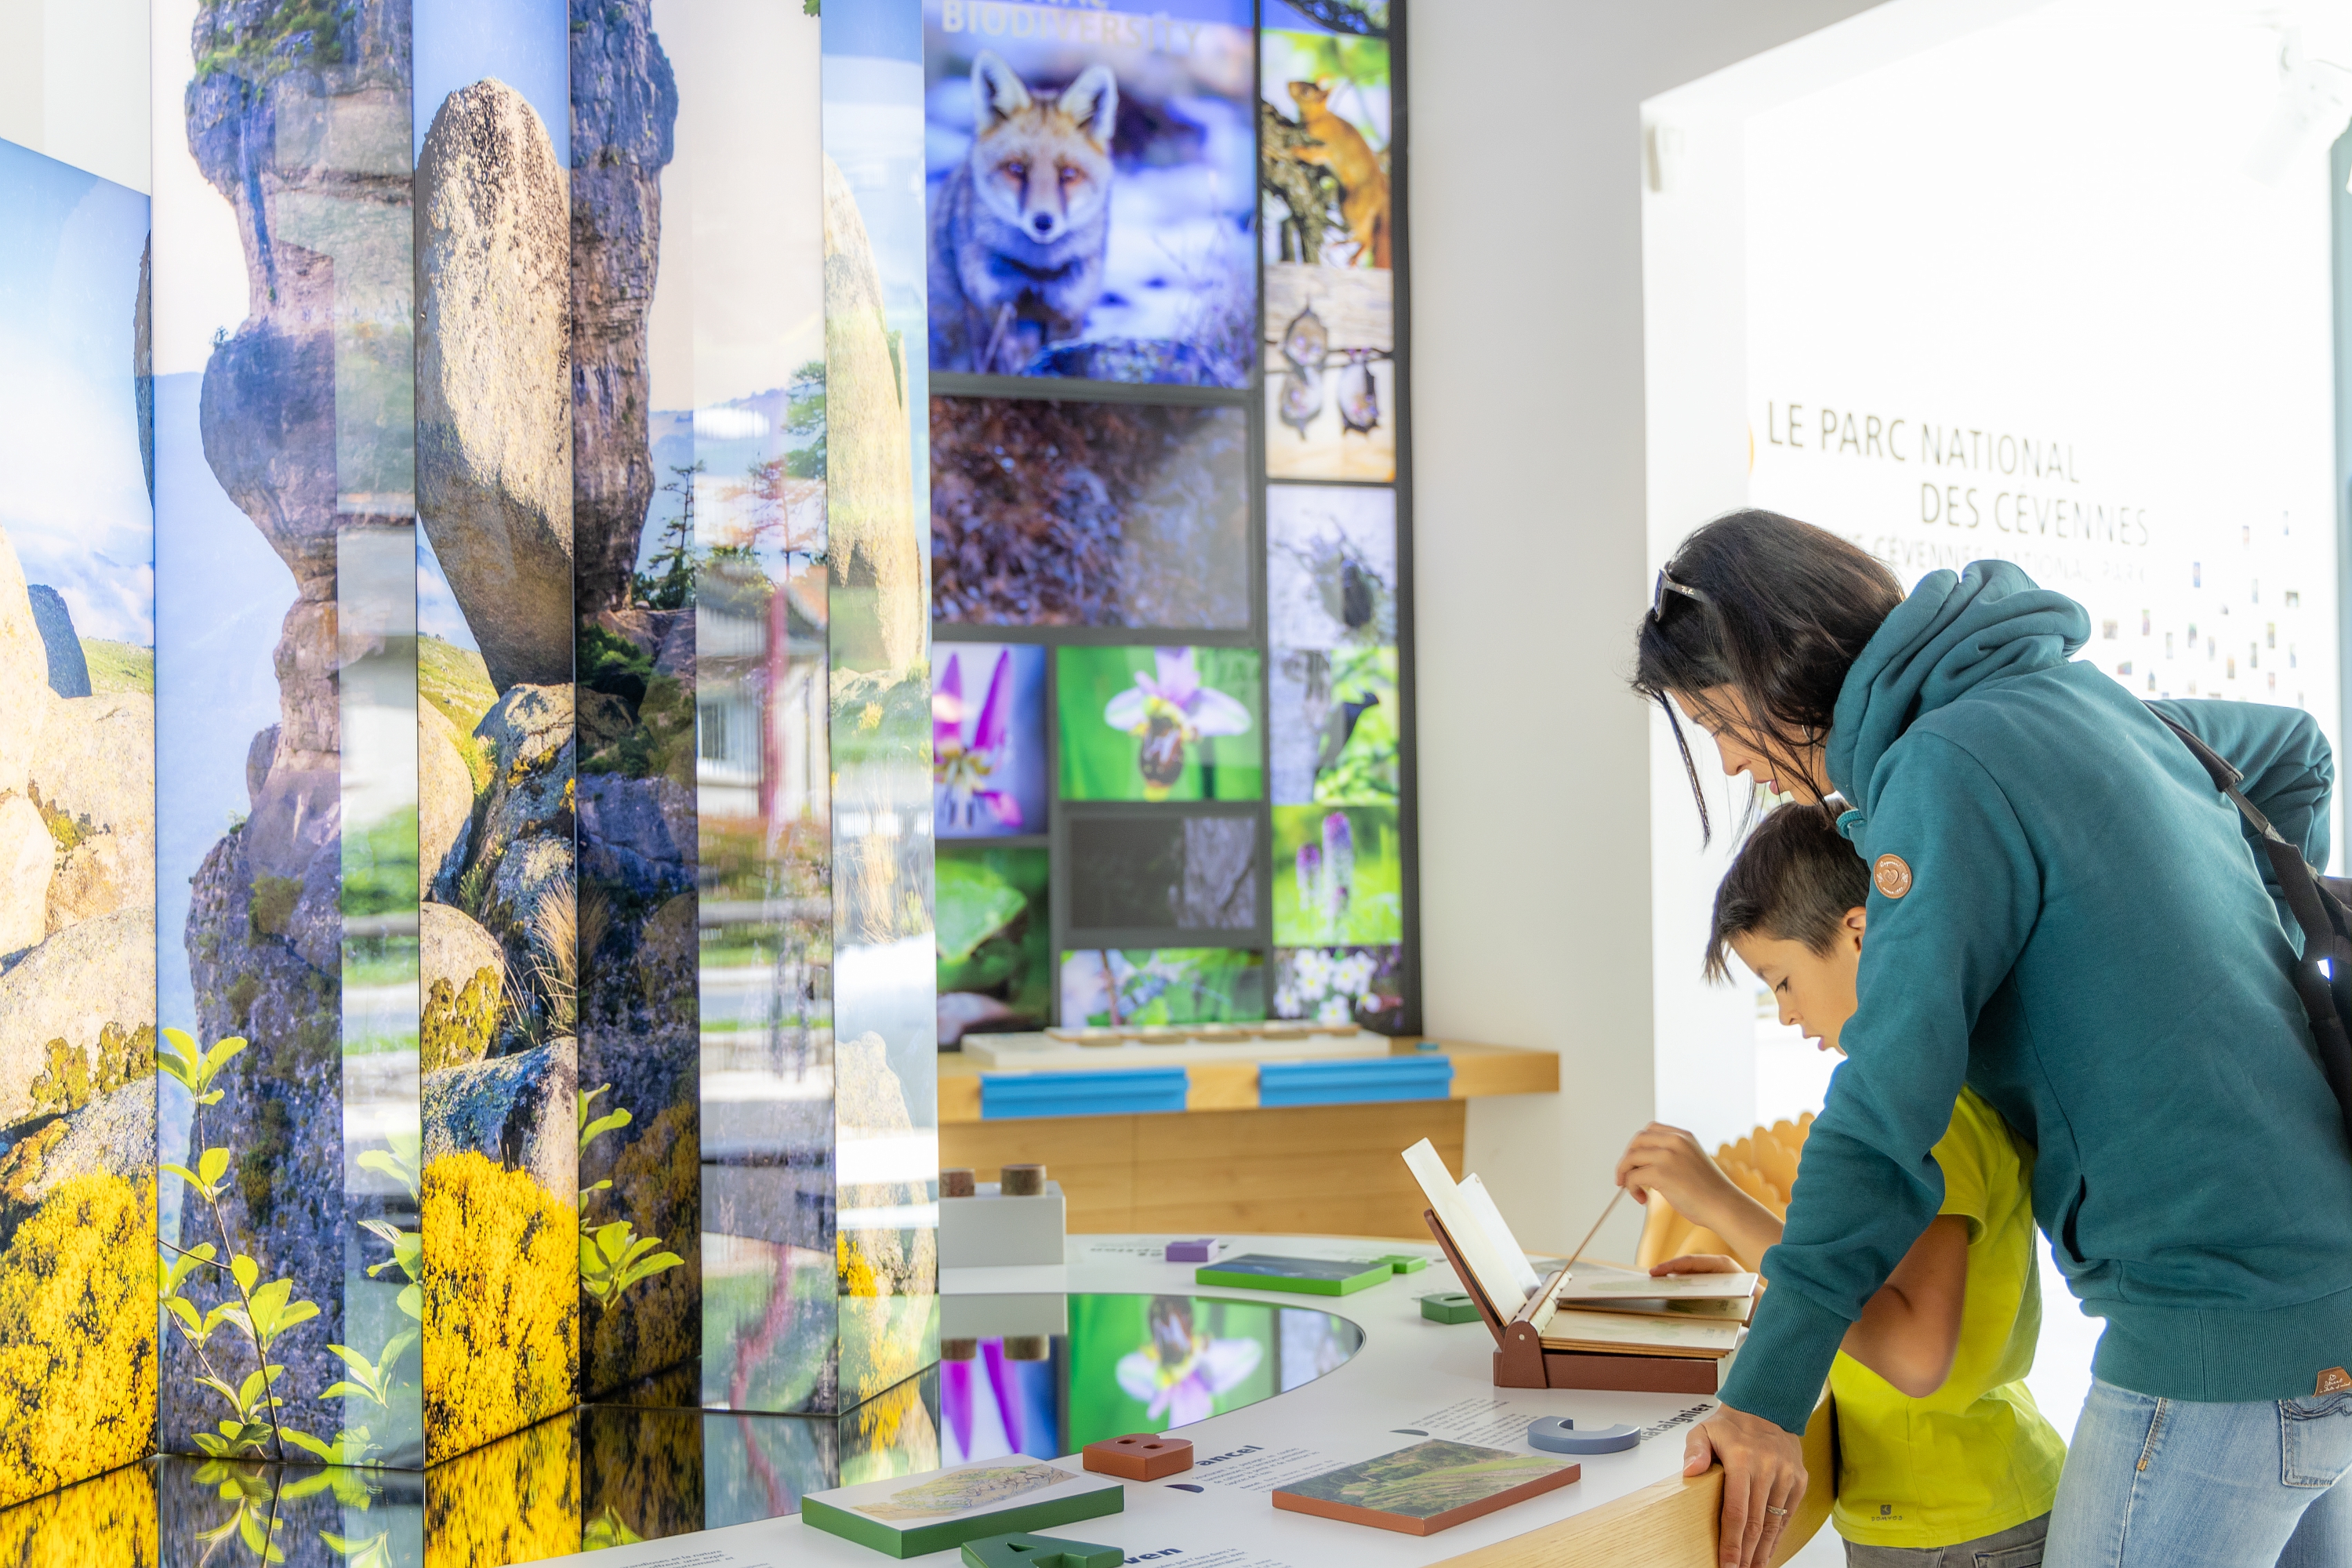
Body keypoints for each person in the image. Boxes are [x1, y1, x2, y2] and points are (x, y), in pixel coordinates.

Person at [1632, 510, 2352, 1568]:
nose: (1736, 763)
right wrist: (2248, 964)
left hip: (2214, 1328)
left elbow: (1884, 1112)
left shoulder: (1944, 769)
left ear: (1771, 664)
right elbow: (2294, 749)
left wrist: (1763, 1402)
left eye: (1719, 723)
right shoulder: (2078, 705)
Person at [1617, 803, 2064, 1565]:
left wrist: (1722, 1202)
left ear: (1859, 933)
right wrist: (1767, 1277)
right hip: (1957, 1507)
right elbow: (1868, 1289)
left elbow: (1914, 1351)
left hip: (1962, 1524)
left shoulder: (1932, 1113)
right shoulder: (1938, 1091)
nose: (1786, 1013)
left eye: (1783, 979)